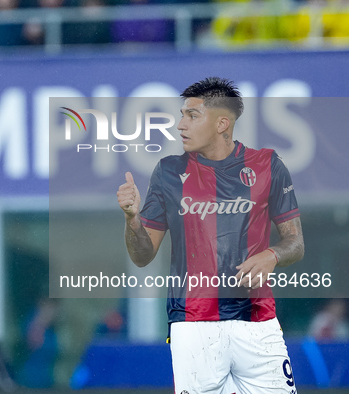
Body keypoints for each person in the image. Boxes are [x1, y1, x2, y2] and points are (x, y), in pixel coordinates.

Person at [117, 77, 304, 393]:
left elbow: (295, 243)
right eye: (181, 115)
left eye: (192, 115)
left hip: (258, 323)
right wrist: (132, 219)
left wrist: (272, 255)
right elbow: (142, 255)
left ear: (222, 123)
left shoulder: (268, 165)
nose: (180, 125)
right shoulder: (167, 172)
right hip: (194, 326)